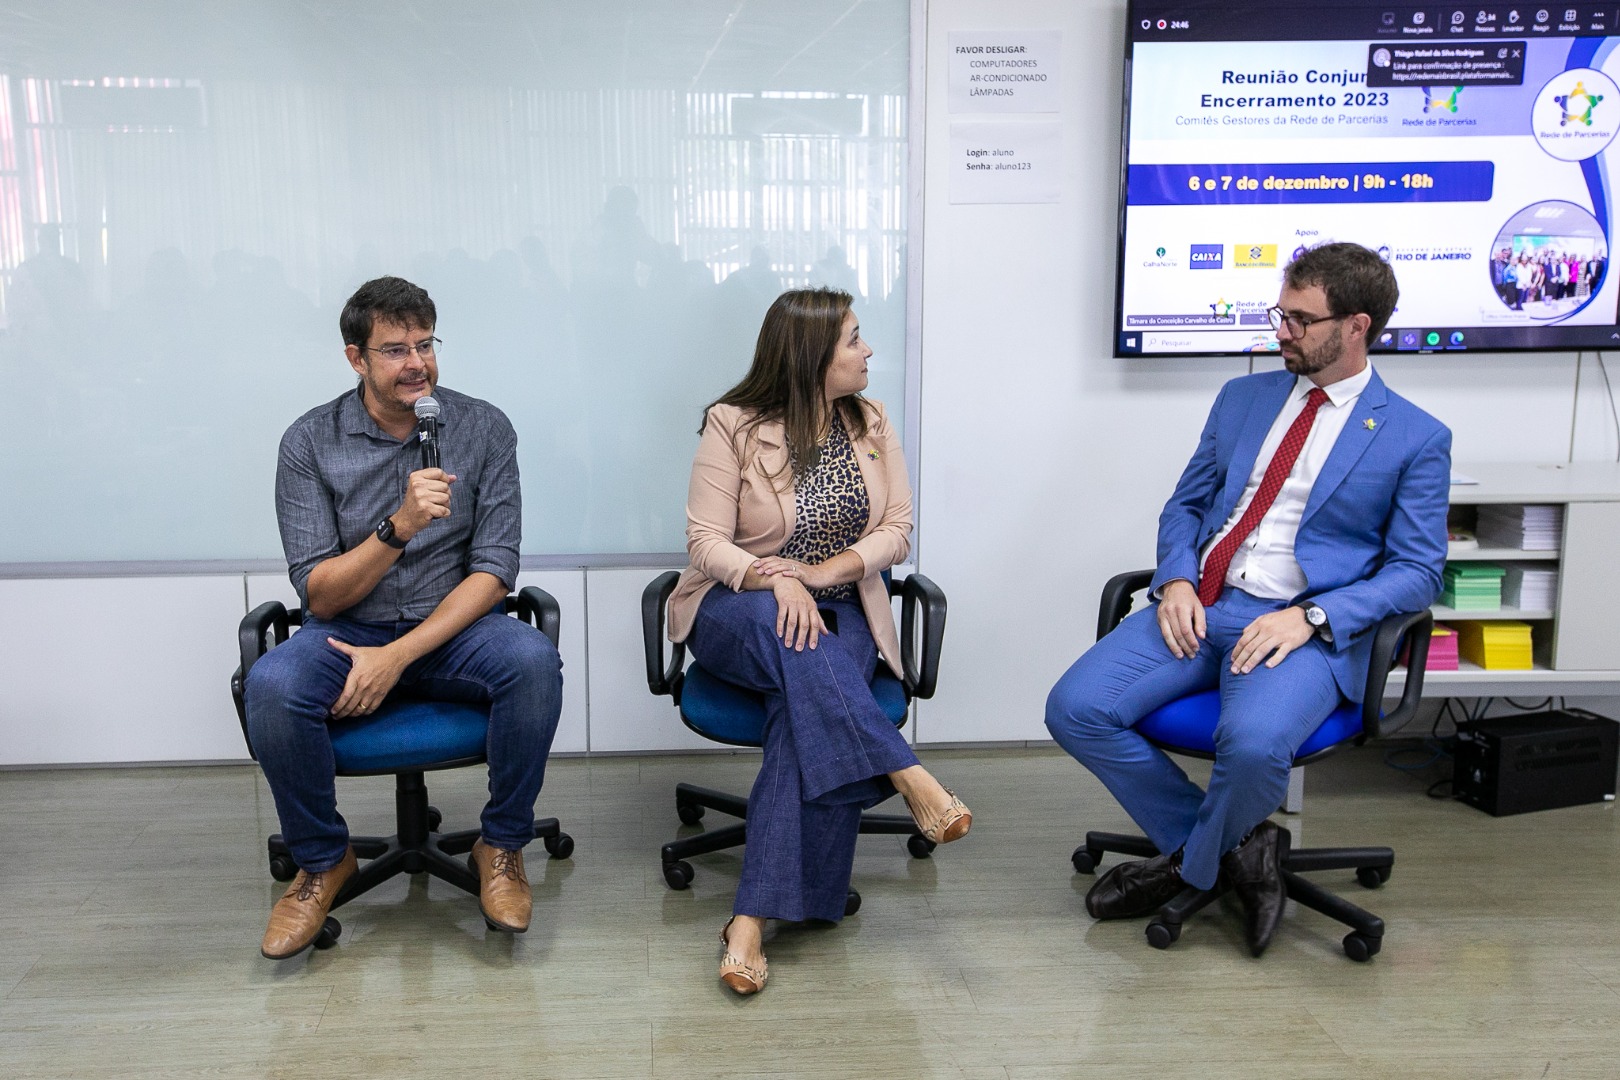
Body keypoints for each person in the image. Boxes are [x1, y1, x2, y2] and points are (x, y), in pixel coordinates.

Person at [1045, 243, 1450, 957]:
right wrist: (1176, 579)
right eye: (1279, 313)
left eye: (1300, 319)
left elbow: (1418, 571)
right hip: (1203, 604)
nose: (1281, 331)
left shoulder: (1415, 436)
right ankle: (1239, 849)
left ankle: (1188, 868)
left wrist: (1312, 616)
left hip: (1298, 627)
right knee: (1075, 708)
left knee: (1255, 744)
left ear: (1356, 326)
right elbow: (1186, 505)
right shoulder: (1243, 398)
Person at [244, 276, 564, 959]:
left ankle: (502, 846)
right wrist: (400, 526)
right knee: (271, 685)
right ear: (355, 359)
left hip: (455, 629)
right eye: (395, 350)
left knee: (533, 660)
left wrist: (398, 657)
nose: (417, 363)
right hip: (347, 630)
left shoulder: (484, 428)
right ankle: (322, 860)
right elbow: (319, 595)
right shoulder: (309, 443)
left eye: (425, 344)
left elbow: (494, 572)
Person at [667, 287, 972, 994]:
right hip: (738, 604)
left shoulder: (872, 420)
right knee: (797, 641)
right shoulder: (734, 424)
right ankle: (905, 772)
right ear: (811, 357)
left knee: (800, 707)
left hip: (843, 608)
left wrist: (820, 574)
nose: (868, 351)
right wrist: (776, 581)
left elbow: (897, 530)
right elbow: (705, 540)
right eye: (854, 340)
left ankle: (749, 920)